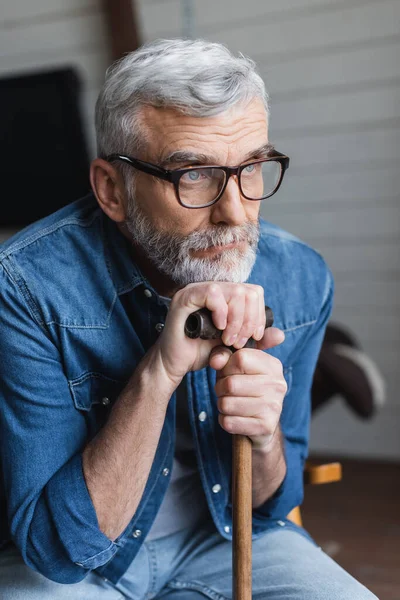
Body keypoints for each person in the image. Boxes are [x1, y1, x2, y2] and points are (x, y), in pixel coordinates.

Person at [0, 38, 377, 599]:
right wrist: (158, 373)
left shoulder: (301, 277)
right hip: (82, 566)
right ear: (112, 189)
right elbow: (57, 552)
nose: (235, 213)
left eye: (252, 168)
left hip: (226, 539)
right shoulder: (26, 286)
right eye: (194, 175)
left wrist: (266, 434)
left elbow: (271, 505)